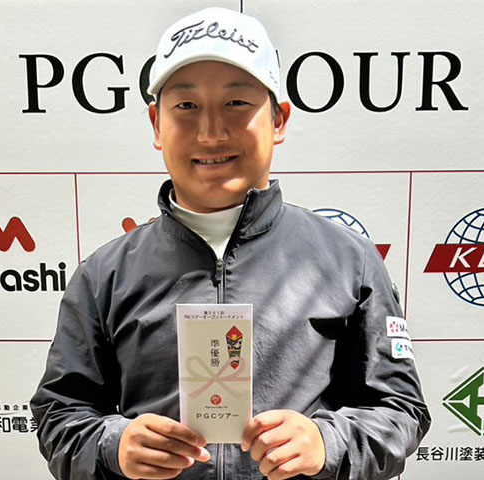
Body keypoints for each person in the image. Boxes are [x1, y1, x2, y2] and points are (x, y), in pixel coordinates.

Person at [31, 7, 430, 480]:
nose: (211, 133)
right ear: (156, 125)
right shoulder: (104, 275)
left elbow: (401, 409)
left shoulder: (349, 260)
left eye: (237, 103)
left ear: (279, 120)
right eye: (186, 106)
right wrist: (112, 446)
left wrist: (327, 442)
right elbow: (59, 414)